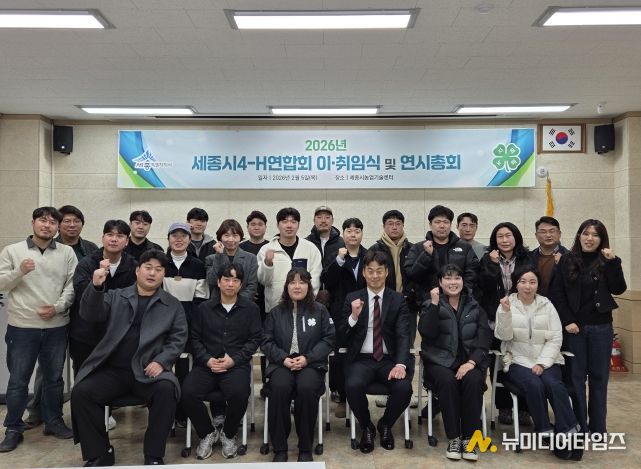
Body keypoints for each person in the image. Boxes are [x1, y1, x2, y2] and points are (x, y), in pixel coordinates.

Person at [70, 250, 187, 466]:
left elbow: (178, 338)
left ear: (164, 275)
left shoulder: (172, 304)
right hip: (113, 371)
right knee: (82, 392)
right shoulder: (116, 296)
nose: (152, 273)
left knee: (167, 389)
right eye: (148, 268)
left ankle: (153, 454)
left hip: (148, 372)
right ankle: (100, 452)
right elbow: (90, 314)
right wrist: (96, 287)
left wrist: (161, 361)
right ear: (137, 270)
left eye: (158, 269)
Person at [0, 207, 77, 452]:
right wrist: (19, 271)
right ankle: (13, 428)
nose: (47, 225)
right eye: (42, 220)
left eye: (53, 222)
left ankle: (53, 421)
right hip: (22, 327)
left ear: (57, 227)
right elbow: (1, 284)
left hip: (56, 325)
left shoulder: (66, 252)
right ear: (33, 222)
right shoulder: (12, 251)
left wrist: (58, 307)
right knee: (18, 380)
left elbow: (72, 285)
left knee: (54, 379)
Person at [495, 266, 582, 461]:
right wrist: (506, 313)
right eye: (523, 282)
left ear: (538, 285)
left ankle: (568, 432)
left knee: (554, 385)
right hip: (517, 360)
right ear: (516, 284)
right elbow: (503, 336)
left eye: (532, 282)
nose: (527, 286)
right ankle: (545, 431)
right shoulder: (506, 304)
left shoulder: (547, 305)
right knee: (534, 384)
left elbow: (556, 338)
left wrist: (542, 363)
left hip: (547, 360)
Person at [549, 219, 627, 434]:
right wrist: (567, 321)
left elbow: (619, 288)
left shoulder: (608, 261)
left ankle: (598, 428)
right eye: (586, 233)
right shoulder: (566, 259)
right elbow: (557, 293)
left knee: (599, 378)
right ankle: (580, 427)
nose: (589, 238)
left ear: (602, 239)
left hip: (601, 327)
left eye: (595, 235)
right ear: (579, 236)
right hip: (575, 329)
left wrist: (612, 263)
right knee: (575, 379)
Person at [25, 204, 98, 430]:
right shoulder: (48, 246)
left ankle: (80, 411)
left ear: (82, 225)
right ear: (58, 225)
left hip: (82, 315)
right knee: (48, 367)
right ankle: (37, 411)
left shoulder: (91, 248)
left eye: (77, 221)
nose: (71, 225)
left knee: (82, 364)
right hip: (52, 313)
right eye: (66, 221)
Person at [181, 264, 262, 460]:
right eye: (226, 279)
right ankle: (207, 432)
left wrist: (234, 360)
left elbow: (254, 340)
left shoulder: (251, 309)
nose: (230, 284)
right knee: (187, 392)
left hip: (235, 365)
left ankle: (228, 433)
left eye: (235, 280)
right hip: (207, 365)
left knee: (240, 393)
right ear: (218, 282)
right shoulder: (204, 308)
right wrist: (207, 360)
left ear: (241, 284)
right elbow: (195, 339)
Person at [339, 250, 413, 453]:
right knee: (352, 385)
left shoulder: (397, 299)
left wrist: (400, 364)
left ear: (386, 272)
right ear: (363, 273)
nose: (375, 276)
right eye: (370, 271)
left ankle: (385, 424)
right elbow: (341, 335)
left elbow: (403, 335)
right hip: (361, 360)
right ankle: (366, 426)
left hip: (389, 360)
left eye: (379, 271)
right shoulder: (353, 298)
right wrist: (353, 317)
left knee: (404, 388)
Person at [261, 267, 335, 462]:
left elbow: (329, 339)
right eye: (292, 282)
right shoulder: (276, 313)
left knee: (306, 388)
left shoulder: (320, 311)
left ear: (309, 286)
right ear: (286, 286)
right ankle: (280, 448)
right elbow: (266, 341)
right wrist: (283, 358)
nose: (297, 286)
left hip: (311, 364)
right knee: (279, 388)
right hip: (282, 364)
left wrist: (308, 358)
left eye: (302, 282)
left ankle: (305, 447)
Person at [419, 264, 491, 461]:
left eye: (457, 278)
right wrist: (435, 305)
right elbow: (427, 332)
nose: (453, 282)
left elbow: (484, 339)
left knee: (473, 380)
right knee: (447, 381)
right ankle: (454, 438)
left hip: (468, 362)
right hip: (439, 363)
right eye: (448, 278)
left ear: (463, 281)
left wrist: (471, 362)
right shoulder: (430, 304)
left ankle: (469, 440)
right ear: (440, 282)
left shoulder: (475, 306)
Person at [478, 221, 533, 426]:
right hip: (495, 319)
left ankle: (525, 407)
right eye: (500, 236)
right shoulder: (487, 259)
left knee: (522, 362)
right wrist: (493, 265)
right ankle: (504, 407)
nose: (504, 240)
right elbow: (484, 287)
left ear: (516, 237)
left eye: (508, 235)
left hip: (522, 319)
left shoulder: (527, 258)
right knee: (498, 365)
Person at [70, 220, 137, 377]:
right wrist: (96, 284)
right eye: (109, 235)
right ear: (102, 238)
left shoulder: (134, 266)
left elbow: (132, 299)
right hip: (86, 335)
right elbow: (82, 297)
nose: (114, 239)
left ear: (127, 241)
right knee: (84, 381)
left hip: (118, 337)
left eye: (120, 236)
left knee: (113, 382)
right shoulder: (86, 264)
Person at [163, 222, 209, 427]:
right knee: (164, 370)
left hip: (189, 326)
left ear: (190, 239)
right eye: (175, 235)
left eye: (183, 235)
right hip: (164, 325)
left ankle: (183, 413)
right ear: (168, 238)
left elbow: (201, 299)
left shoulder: (198, 265)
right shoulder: (161, 263)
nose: (179, 239)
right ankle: (167, 412)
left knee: (184, 370)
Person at [321, 217, 367, 418]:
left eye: (357, 231)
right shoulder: (335, 255)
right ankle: (341, 395)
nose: (353, 234)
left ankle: (356, 395)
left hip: (365, 311)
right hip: (340, 312)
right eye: (349, 231)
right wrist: (339, 261)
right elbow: (327, 281)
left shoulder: (369, 255)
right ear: (343, 234)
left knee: (360, 353)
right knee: (339, 355)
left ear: (362, 234)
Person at [405, 205, 479, 316]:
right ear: (430, 224)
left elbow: (472, 273)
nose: (442, 226)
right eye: (437, 222)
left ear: (450, 225)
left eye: (446, 222)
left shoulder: (464, 247)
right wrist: (426, 255)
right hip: (428, 303)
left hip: (459, 304)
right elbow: (411, 274)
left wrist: (462, 294)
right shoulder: (418, 248)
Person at [257, 207, 322, 314]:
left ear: (298, 225)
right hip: (275, 309)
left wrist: (307, 301)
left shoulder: (310, 248)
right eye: (284, 221)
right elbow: (264, 281)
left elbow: (315, 279)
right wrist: (268, 263)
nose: (289, 225)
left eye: (293, 222)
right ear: (278, 225)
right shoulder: (267, 249)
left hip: (304, 308)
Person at [239, 210, 269, 396]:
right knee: (244, 344)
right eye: (253, 224)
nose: (256, 227)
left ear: (266, 227)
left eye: (260, 224)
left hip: (267, 303)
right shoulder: (241, 247)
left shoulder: (271, 247)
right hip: (244, 303)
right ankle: (243, 385)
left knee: (266, 344)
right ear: (248, 227)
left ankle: (267, 383)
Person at [205, 219, 258, 304]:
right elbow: (212, 281)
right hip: (218, 305)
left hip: (243, 305)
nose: (231, 239)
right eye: (226, 235)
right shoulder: (211, 259)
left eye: (235, 236)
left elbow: (252, 286)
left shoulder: (251, 258)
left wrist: (236, 302)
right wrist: (219, 255)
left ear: (240, 237)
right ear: (220, 238)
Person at [305, 205, 345, 305]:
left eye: (327, 217)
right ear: (314, 221)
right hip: (311, 298)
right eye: (319, 217)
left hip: (337, 298)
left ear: (332, 220)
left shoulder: (342, 243)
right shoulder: (306, 243)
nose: (323, 221)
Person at [530, 216, 568, 298]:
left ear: (559, 234)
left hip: (559, 305)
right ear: (536, 235)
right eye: (543, 232)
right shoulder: (528, 257)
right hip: (534, 303)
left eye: (552, 231)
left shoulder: (570, 257)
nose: (548, 235)